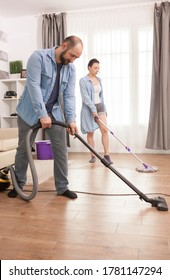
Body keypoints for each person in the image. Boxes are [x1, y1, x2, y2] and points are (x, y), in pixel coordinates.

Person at [8, 35, 83, 199]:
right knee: (24, 149)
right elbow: (33, 87)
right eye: (72, 56)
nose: (73, 60)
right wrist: (42, 114)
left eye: (77, 58)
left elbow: (69, 96)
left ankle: (62, 187)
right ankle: (19, 185)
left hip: (54, 113)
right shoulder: (38, 57)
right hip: (29, 112)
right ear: (64, 46)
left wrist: (71, 119)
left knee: (61, 150)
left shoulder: (70, 68)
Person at [79, 58, 113, 165]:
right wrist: (93, 110)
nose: (97, 70)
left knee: (105, 131)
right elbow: (85, 98)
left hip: (100, 106)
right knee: (90, 132)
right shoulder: (83, 81)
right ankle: (93, 155)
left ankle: (107, 155)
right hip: (89, 108)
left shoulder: (99, 80)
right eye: (95, 68)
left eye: (98, 68)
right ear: (89, 67)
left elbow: (101, 96)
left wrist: (104, 108)